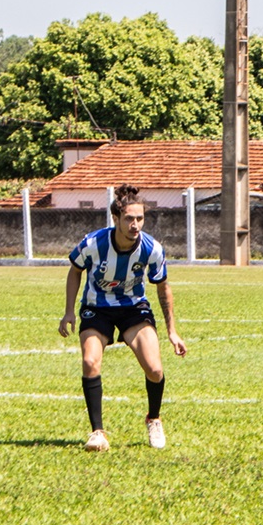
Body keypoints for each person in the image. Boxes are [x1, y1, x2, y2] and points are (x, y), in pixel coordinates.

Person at [58, 184, 187, 452]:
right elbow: (75, 270)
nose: (135, 224)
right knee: (89, 361)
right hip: (97, 307)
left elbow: (163, 287)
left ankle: (154, 418)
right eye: (129, 218)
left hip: (133, 308)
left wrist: (172, 331)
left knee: (155, 369)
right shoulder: (94, 243)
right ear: (115, 218)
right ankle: (97, 433)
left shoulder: (152, 249)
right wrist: (70, 310)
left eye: (140, 218)